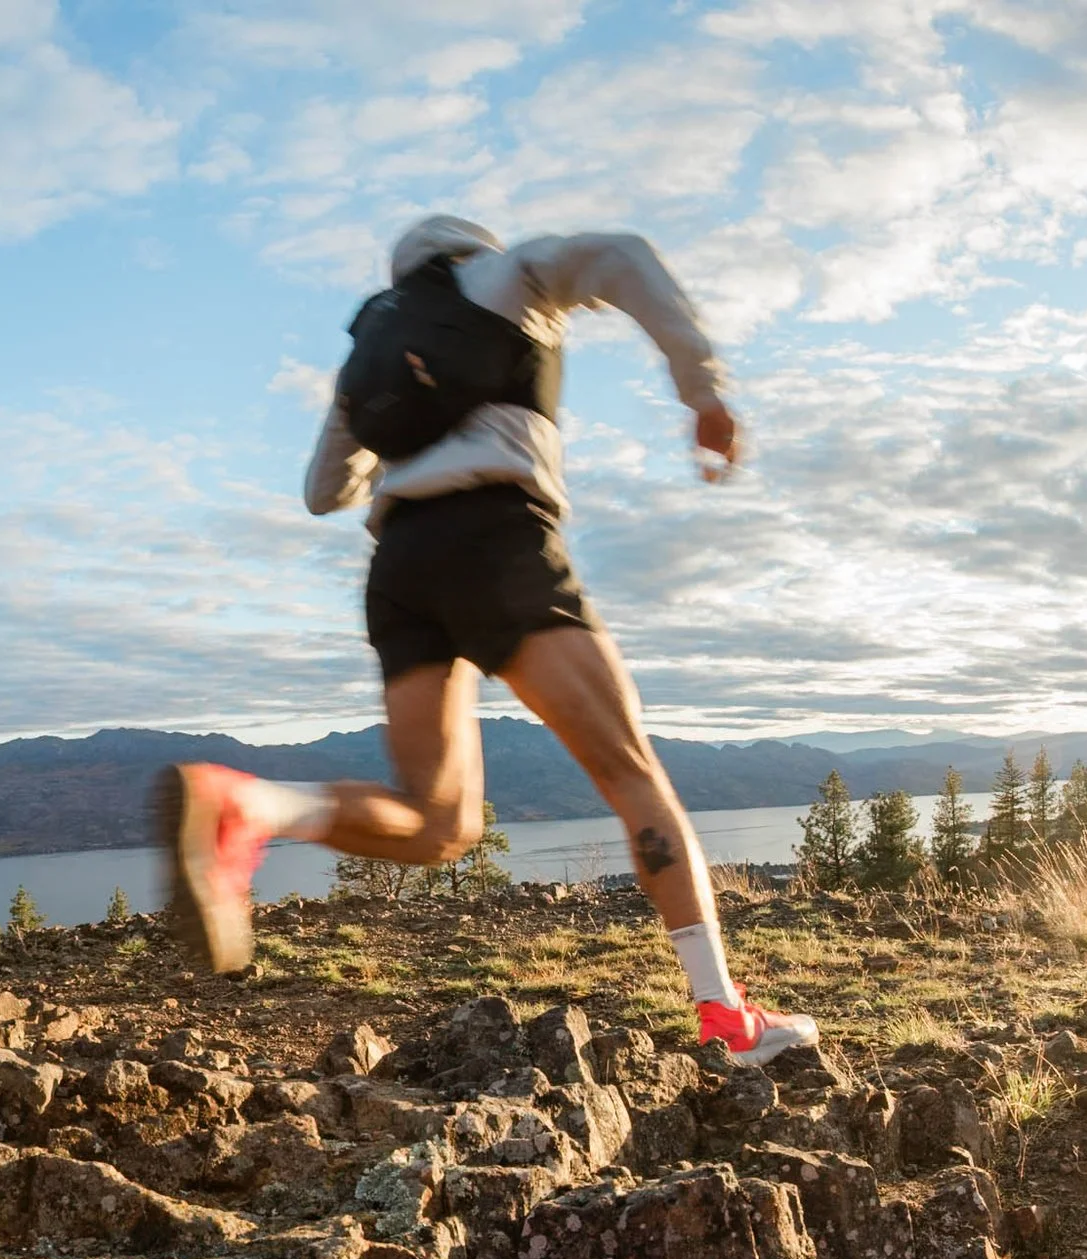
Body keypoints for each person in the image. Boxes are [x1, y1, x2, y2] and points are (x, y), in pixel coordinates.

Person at [155, 214, 818, 1065]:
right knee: (632, 775)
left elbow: (326, 489)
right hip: (498, 542)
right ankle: (728, 1021)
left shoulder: (370, 354)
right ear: (471, 245)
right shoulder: (509, 277)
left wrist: (396, 444)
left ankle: (251, 805)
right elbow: (622, 256)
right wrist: (702, 388)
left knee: (440, 822)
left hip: (400, 570)